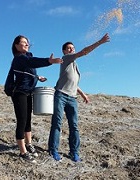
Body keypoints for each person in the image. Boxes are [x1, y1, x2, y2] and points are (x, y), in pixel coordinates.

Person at [48, 33, 110, 162]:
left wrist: (83, 95)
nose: (71, 49)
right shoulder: (66, 59)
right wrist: (99, 42)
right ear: (64, 51)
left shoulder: (75, 65)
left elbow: (73, 83)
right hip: (61, 95)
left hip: (72, 98)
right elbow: (84, 52)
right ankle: (53, 150)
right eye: (69, 48)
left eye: (73, 48)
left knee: (74, 126)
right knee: (57, 124)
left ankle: (74, 152)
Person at [10, 35, 63, 163]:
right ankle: (23, 152)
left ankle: (29, 144)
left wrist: (37, 77)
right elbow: (31, 62)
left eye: (27, 43)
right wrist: (49, 61)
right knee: (22, 120)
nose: (26, 44)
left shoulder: (26, 58)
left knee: (28, 120)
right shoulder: (19, 58)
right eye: (23, 42)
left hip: (28, 92)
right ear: (16, 46)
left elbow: (28, 71)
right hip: (19, 93)